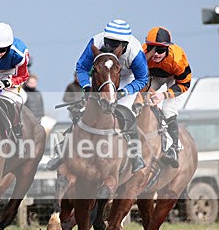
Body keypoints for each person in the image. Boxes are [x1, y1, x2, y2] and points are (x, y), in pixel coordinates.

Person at [48, 19, 149, 172]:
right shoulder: (96, 41)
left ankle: (135, 155)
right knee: (84, 111)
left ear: (125, 45)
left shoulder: (135, 53)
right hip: (102, 76)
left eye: (115, 45)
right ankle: (63, 150)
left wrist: (124, 92)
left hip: (126, 79)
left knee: (125, 113)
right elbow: (81, 67)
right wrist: (87, 87)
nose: (110, 47)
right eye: (108, 42)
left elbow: (143, 78)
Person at [143, 27, 192, 168]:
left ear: (168, 49)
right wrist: (148, 90)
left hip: (174, 79)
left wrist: (163, 95)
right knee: (140, 100)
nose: (156, 53)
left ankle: (174, 147)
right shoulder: (142, 53)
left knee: (168, 109)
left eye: (160, 50)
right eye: (152, 48)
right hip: (152, 76)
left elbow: (184, 84)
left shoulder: (177, 59)